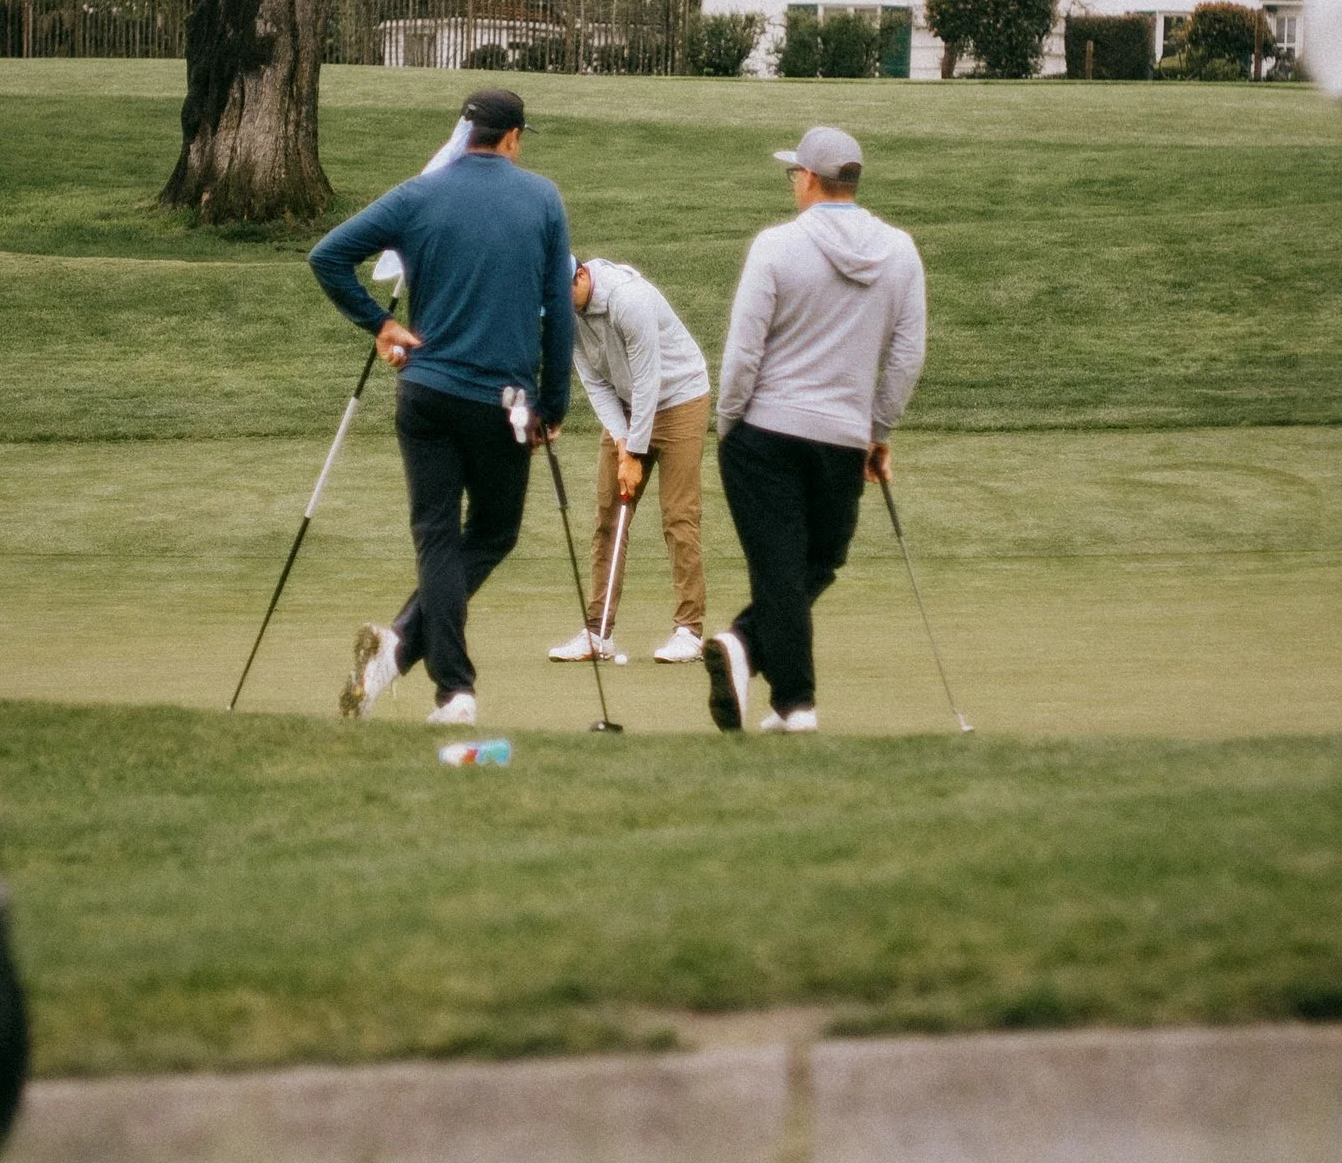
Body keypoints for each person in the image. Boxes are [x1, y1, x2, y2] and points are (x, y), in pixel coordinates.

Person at [308, 86, 574, 730]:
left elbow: (329, 256)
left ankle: (409, 657)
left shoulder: (419, 194)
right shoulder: (542, 198)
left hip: (425, 394)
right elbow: (558, 311)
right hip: (502, 402)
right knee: (492, 533)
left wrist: (379, 324)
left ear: (465, 134)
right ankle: (448, 687)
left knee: (436, 537)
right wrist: (554, 401)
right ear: (512, 138)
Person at [707, 120, 927, 734]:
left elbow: (743, 352)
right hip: (842, 438)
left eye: (792, 174)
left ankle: (754, 657)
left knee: (789, 565)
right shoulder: (901, 251)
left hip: (763, 431)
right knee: (818, 559)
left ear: (808, 179)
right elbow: (908, 355)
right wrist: (877, 429)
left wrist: (730, 425)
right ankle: (786, 699)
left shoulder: (776, 245)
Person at [552, 256, 713, 667]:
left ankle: (689, 632)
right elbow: (594, 381)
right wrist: (624, 444)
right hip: (627, 408)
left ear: (581, 276)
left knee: (679, 516)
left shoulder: (629, 299)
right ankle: (597, 632)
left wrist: (635, 453)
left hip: (680, 399)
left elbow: (648, 377)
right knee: (608, 516)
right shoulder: (565, 311)